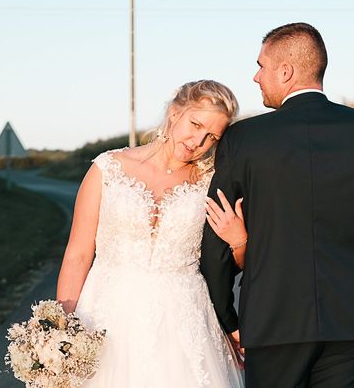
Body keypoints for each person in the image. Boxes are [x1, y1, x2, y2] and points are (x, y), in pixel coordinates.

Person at [201, 22, 354, 387]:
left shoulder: (244, 139)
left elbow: (215, 237)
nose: (255, 77)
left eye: (261, 66)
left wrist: (229, 319)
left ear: (285, 71)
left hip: (272, 323)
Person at [56, 80, 244, 387]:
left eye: (211, 136)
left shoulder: (211, 184)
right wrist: (60, 324)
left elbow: (224, 264)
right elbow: (78, 254)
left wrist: (239, 239)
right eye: (195, 124)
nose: (198, 140)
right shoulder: (108, 168)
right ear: (174, 113)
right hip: (106, 312)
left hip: (184, 321)